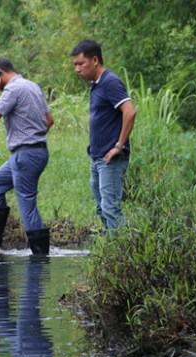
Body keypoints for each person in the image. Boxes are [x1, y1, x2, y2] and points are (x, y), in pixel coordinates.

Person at [0, 57, 54, 255]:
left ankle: (40, 255)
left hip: (25, 155)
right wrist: (35, 136)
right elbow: (49, 120)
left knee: (27, 205)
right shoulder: (32, 86)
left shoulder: (13, 89)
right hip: (33, 152)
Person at [71, 39, 136, 232]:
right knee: (101, 208)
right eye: (75, 65)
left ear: (95, 60)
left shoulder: (110, 82)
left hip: (111, 159)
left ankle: (122, 253)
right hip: (97, 157)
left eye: (81, 64)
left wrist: (119, 145)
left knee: (110, 208)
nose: (77, 69)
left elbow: (130, 112)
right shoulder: (96, 85)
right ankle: (112, 250)